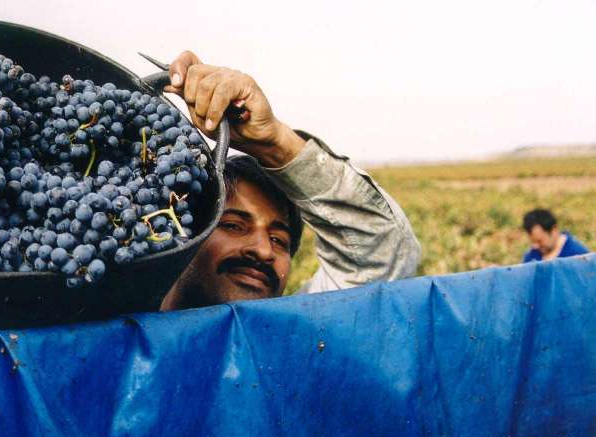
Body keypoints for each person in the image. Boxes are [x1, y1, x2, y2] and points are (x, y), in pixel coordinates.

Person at [160, 51, 421, 311]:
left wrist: (273, 144)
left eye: (279, 240)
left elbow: (382, 255)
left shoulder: (300, 332)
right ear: (182, 234)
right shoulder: (124, 325)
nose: (264, 251)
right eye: (234, 225)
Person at [521, 209, 590, 263]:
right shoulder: (532, 256)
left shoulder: (578, 255)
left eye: (540, 241)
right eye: (533, 242)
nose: (535, 246)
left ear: (554, 231)